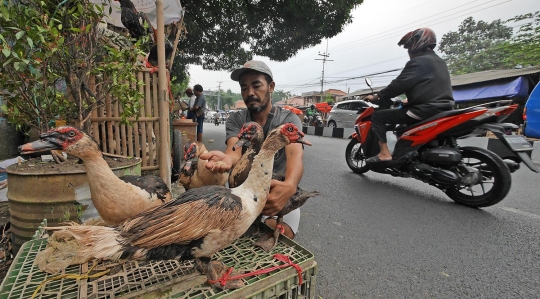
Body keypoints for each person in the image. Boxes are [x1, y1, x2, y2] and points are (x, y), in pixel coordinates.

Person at [199, 60, 305, 239]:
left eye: (256, 85)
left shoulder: (288, 120)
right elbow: (234, 152)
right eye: (244, 87)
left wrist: (290, 186)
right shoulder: (236, 119)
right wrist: (226, 160)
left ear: (271, 87)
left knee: (277, 235)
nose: (250, 93)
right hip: (242, 194)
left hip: (276, 194)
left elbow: (296, 155)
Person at [363, 28, 454, 163]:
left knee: (378, 117)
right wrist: (409, 101)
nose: (408, 51)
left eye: (409, 46)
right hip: (445, 109)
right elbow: (429, 86)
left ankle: (384, 153)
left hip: (424, 110)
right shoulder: (440, 62)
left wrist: (377, 96)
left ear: (418, 43)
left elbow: (398, 85)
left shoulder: (418, 62)